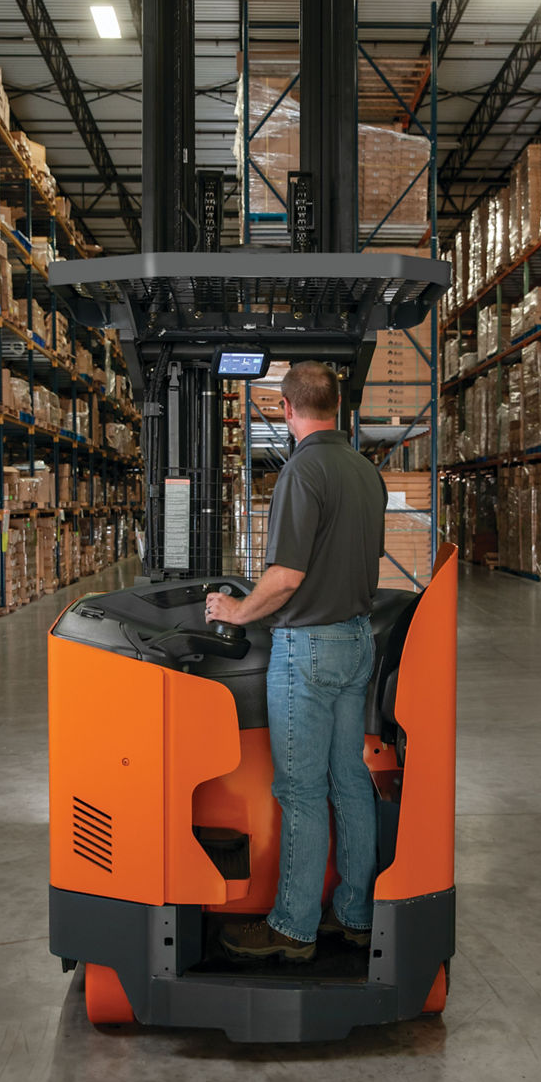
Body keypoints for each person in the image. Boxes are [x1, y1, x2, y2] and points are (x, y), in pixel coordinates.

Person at [204, 360, 387, 962]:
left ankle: (293, 928)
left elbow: (285, 577)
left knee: (302, 791)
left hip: (308, 650)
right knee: (350, 782)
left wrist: (236, 611)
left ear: (287, 410)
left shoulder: (302, 471)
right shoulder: (366, 471)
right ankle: (357, 915)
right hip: (357, 640)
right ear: (338, 406)